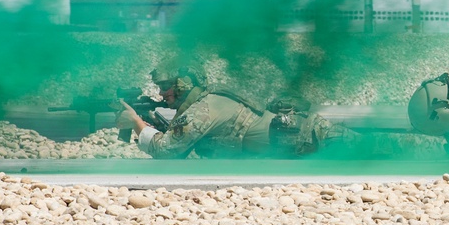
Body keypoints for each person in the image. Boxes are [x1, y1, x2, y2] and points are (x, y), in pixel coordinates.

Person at [118, 65, 343, 159]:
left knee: (374, 150)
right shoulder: (205, 103)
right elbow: (178, 140)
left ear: (183, 84)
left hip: (314, 137)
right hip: (305, 142)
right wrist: (147, 123)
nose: (161, 94)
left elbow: (167, 151)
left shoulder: (205, 107)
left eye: (165, 87)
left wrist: (136, 122)